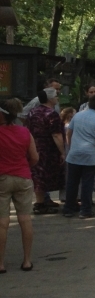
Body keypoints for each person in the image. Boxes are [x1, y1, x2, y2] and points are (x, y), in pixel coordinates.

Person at [0, 99, 38, 272]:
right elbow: (35, 157)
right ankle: (27, 260)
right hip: (23, 177)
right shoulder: (25, 132)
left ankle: (0, 263)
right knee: (25, 219)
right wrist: (24, 167)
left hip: (2, 178)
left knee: (2, 222)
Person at [63, 94, 95, 219]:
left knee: (72, 182)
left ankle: (68, 208)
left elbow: (69, 132)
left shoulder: (77, 116)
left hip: (74, 154)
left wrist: (71, 146)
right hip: (90, 155)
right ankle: (85, 210)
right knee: (87, 182)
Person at [26, 88, 65, 215]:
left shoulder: (32, 112)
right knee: (46, 173)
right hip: (48, 148)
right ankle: (41, 203)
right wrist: (63, 151)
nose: (57, 98)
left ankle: (40, 200)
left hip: (35, 145)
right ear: (49, 98)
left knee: (38, 174)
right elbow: (56, 135)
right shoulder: (51, 114)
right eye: (55, 96)